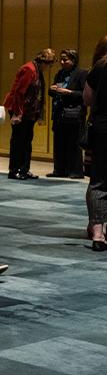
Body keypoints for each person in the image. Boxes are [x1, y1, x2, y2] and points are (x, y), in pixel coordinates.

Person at [4, 48, 56, 180]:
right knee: (18, 141)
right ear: (44, 62)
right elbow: (19, 93)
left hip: (29, 112)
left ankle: (24, 169)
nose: (49, 68)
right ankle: (14, 170)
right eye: (49, 65)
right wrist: (18, 113)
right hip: (20, 109)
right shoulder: (30, 69)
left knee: (27, 141)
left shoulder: (37, 70)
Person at [49, 48, 87, 178]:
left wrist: (68, 92)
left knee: (73, 143)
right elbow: (53, 91)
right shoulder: (59, 73)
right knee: (59, 141)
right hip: (59, 112)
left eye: (65, 59)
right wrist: (52, 89)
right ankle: (59, 170)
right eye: (61, 59)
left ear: (73, 60)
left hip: (74, 113)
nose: (62, 62)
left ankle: (75, 171)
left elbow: (84, 94)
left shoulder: (82, 73)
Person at [85, 37, 107, 250]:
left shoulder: (99, 67)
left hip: (101, 128)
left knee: (99, 180)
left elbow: (88, 98)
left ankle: (98, 234)